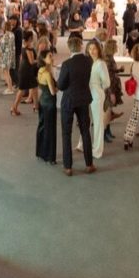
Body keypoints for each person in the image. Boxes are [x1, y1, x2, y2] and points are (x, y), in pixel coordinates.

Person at [57, 36, 96, 176]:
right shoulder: (88, 61)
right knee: (85, 131)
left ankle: (68, 167)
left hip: (69, 100)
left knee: (66, 133)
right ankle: (89, 164)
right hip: (83, 99)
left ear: (69, 47)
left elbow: (61, 85)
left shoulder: (66, 64)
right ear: (81, 46)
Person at [82, 41, 110, 159]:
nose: (92, 51)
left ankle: (97, 149)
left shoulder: (101, 64)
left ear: (99, 50)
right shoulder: (87, 62)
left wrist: (98, 88)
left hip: (96, 94)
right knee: (85, 120)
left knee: (98, 122)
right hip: (86, 93)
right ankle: (82, 144)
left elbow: (107, 83)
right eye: (90, 49)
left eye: (94, 48)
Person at [35, 49, 58, 165]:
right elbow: (53, 92)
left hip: (42, 101)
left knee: (42, 127)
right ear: (44, 59)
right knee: (50, 129)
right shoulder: (47, 74)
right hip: (49, 103)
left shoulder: (40, 70)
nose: (52, 58)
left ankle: (40, 152)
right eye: (49, 56)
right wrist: (61, 86)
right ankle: (50, 156)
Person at [11, 31, 38, 116]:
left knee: (34, 87)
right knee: (22, 90)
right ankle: (14, 108)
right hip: (27, 70)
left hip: (24, 69)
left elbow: (21, 58)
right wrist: (41, 60)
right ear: (30, 38)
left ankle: (36, 106)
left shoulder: (24, 45)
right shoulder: (28, 48)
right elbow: (31, 61)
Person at [0, 20, 17, 95]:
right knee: (8, 72)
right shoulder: (12, 34)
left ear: (5, 27)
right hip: (10, 55)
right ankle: (10, 87)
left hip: (5, 56)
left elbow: (2, 47)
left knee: (6, 73)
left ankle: (9, 89)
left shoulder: (6, 35)